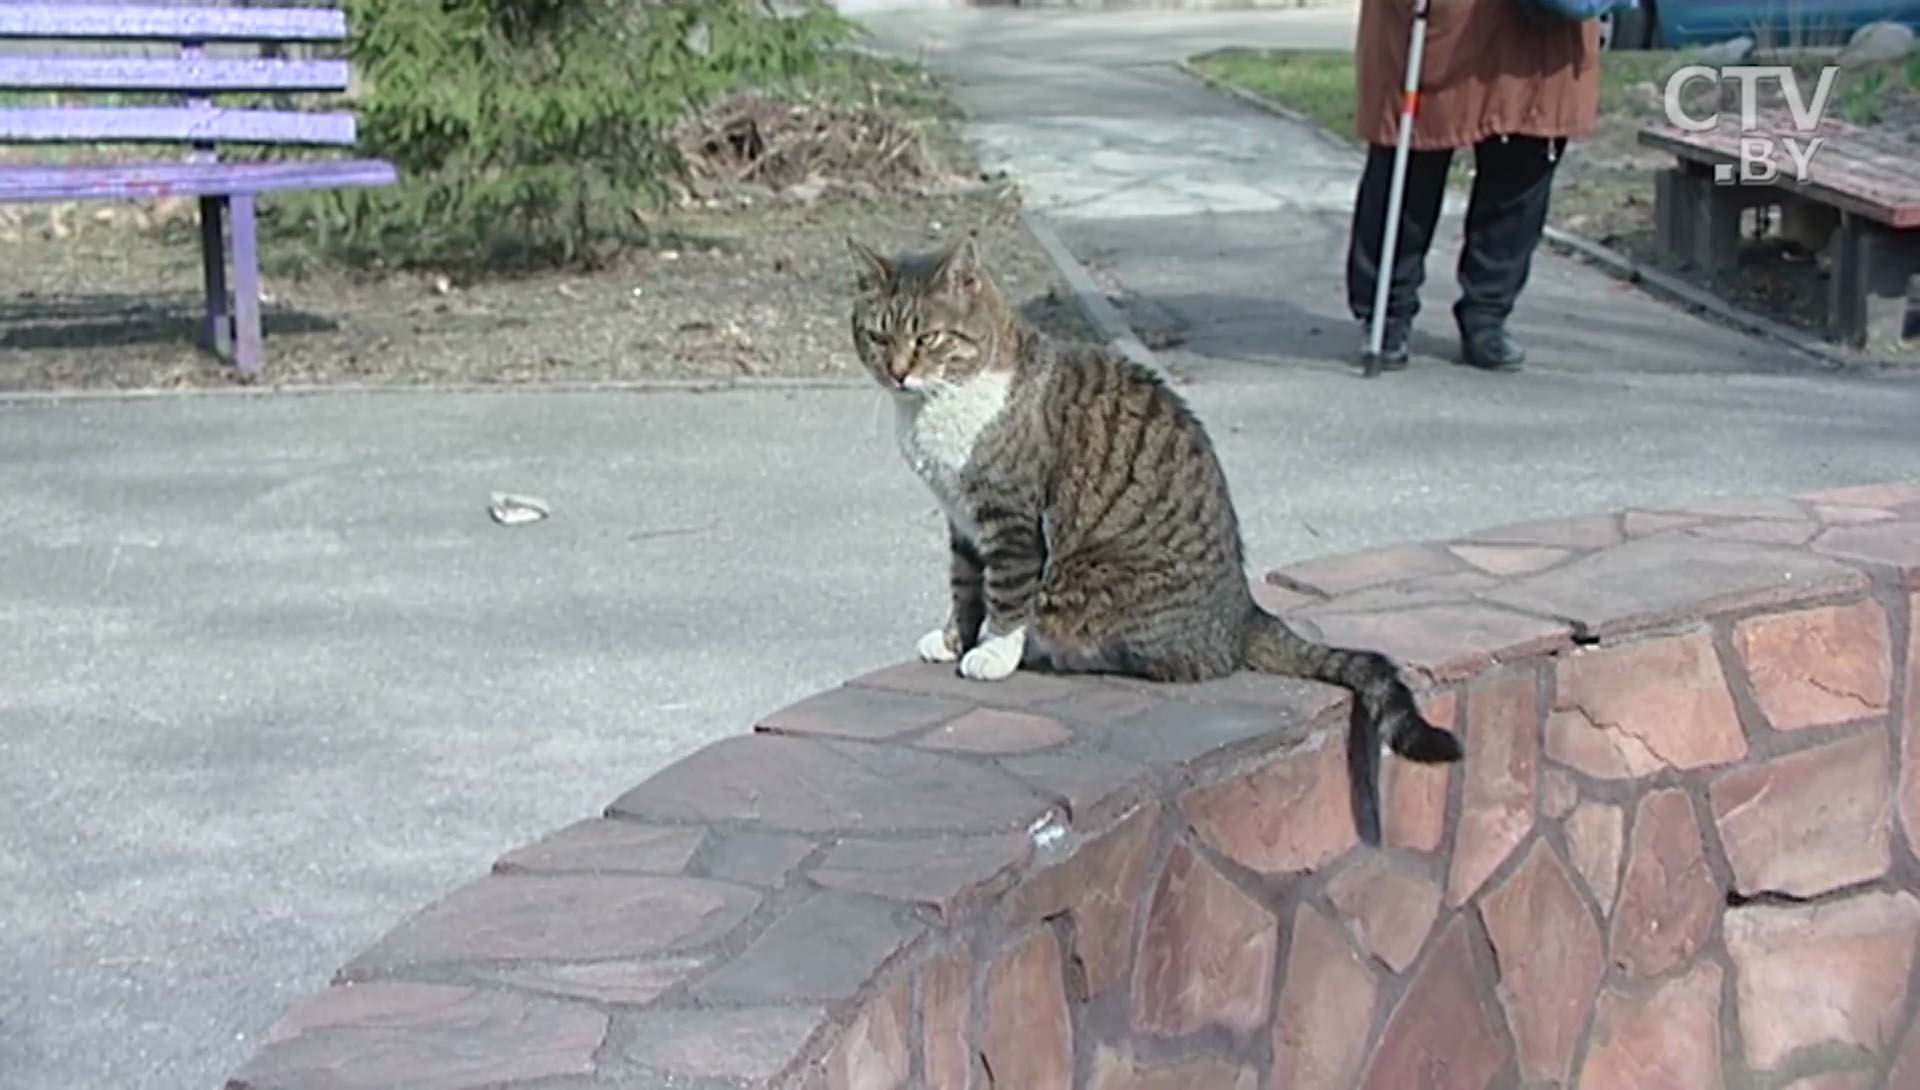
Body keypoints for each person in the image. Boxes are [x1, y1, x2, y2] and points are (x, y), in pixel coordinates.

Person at [1345, 0, 1600, 372]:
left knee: (1520, 172)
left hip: (1538, 32)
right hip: (1436, 28)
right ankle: (1387, 312)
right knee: (1409, 167)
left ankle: (1487, 314)